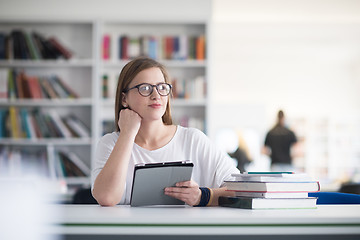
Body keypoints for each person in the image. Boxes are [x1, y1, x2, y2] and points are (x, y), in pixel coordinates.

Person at [91, 57, 239, 207]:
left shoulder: (193, 140)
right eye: (145, 88)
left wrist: (203, 196)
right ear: (124, 99)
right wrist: (127, 134)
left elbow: (241, 190)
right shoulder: (110, 143)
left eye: (162, 87)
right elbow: (107, 197)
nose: (156, 95)